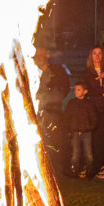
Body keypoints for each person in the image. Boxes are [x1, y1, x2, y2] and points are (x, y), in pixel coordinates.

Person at [81, 46, 104, 179]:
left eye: (99, 53)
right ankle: (95, 165)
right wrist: (103, 92)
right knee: (95, 138)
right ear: (91, 56)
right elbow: (89, 91)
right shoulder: (87, 73)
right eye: (94, 53)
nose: (97, 56)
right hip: (95, 108)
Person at [34, 47, 71, 177]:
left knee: (55, 141)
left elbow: (65, 86)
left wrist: (57, 98)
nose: (38, 56)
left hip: (53, 111)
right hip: (37, 112)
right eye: (36, 54)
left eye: (41, 53)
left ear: (47, 55)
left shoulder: (57, 71)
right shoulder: (33, 71)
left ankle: (57, 170)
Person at [64, 81, 97, 178]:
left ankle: (89, 172)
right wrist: (69, 130)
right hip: (75, 132)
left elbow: (94, 118)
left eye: (79, 90)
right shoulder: (71, 103)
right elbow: (67, 117)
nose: (76, 92)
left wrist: (90, 127)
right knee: (75, 154)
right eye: (75, 90)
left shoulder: (89, 104)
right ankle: (74, 172)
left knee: (89, 154)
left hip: (87, 133)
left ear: (85, 91)